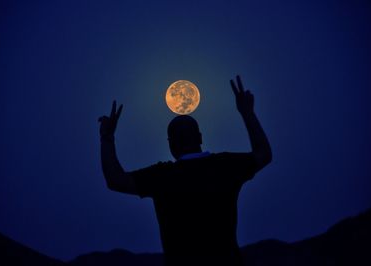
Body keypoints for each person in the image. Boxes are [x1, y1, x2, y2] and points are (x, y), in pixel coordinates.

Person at [98, 75, 272, 266]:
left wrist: (107, 139)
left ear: (171, 145)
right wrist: (248, 113)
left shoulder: (162, 177)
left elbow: (115, 180)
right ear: (199, 137)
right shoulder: (225, 166)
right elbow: (263, 154)